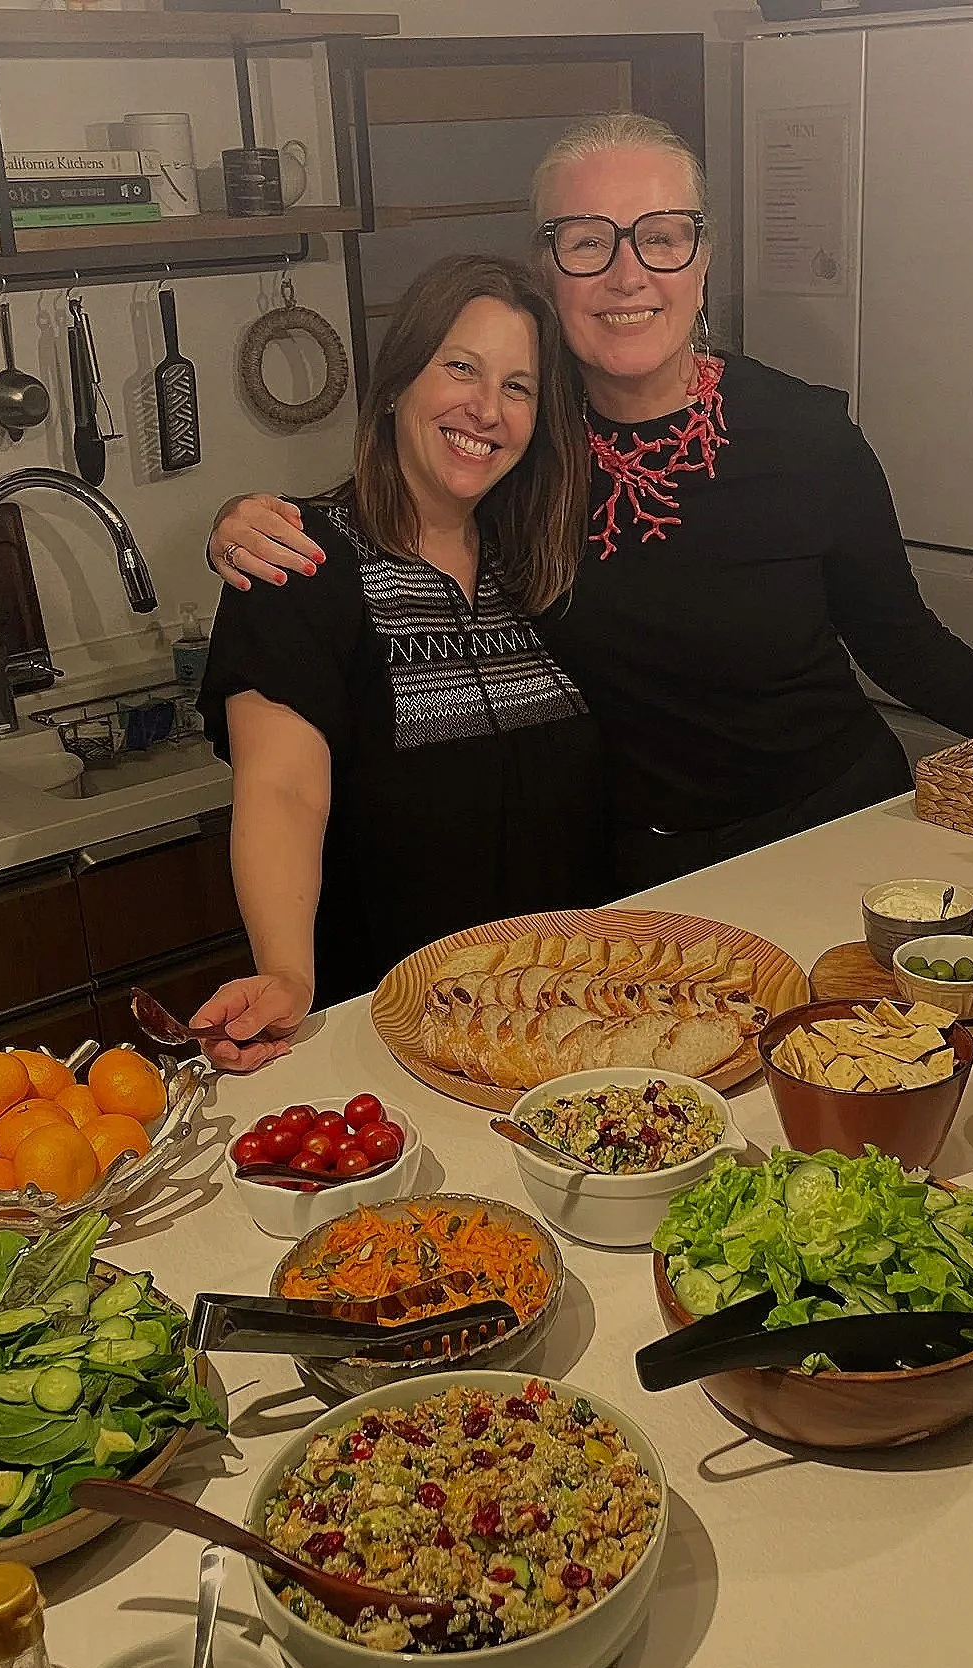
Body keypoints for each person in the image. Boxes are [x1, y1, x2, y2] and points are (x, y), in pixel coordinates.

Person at [210, 112, 973, 892]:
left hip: (834, 837)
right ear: (546, 269)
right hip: (640, 880)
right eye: (589, 242)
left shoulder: (807, 436)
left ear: (701, 261)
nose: (628, 275)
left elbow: (905, 644)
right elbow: (398, 507)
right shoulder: (517, 437)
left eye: (661, 237)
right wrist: (251, 521)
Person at [190, 254, 604, 1070]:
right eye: (461, 368)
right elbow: (283, 789)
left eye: (518, 387)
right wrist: (286, 970)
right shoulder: (299, 562)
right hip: (395, 1042)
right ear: (395, 385)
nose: (486, 409)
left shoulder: (540, 565)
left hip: (570, 1027)